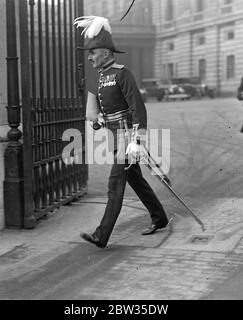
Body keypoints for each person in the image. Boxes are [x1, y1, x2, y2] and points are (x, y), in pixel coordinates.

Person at [74, 16, 170, 248]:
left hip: (128, 137)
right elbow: (99, 113)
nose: (89, 57)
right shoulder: (99, 78)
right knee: (135, 179)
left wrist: (137, 141)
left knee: (115, 183)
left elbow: (138, 108)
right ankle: (160, 217)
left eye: (93, 52)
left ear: (106, 53)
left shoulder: (122, 74)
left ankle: (101, 234)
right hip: (115, 137)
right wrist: (97, 120)